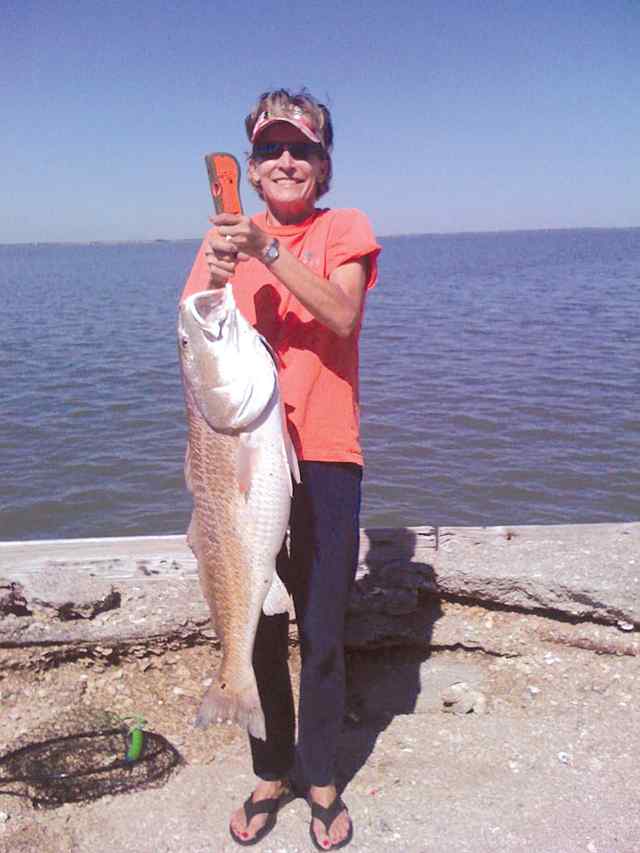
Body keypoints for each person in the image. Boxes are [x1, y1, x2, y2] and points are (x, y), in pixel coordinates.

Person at [181, 88, 381, 851]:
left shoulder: (345, 228)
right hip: (245, 459)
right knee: (255, 624)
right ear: (254, 169)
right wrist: (216, 274)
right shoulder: (220, 241)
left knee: (322, 628)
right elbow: (195, 342)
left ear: (323, 166)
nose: (286, 160)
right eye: (269, 150)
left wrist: (267, 252)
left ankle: (321, 774)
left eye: (302, 148)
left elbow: (340, 313)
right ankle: (270, 766)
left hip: (326, 454)